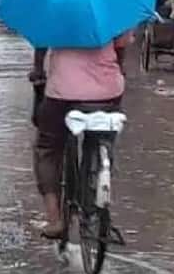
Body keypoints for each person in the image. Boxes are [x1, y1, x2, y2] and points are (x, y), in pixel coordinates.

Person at [30, 32, 132, 239]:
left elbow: (41, 44)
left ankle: (54, 219)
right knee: (102, 136)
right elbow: (120, 51)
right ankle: (99, 174)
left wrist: (38, 70)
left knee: (47, 147)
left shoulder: (56, 8)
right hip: (108, 94)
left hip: (62, 94)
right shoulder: (112, 8)